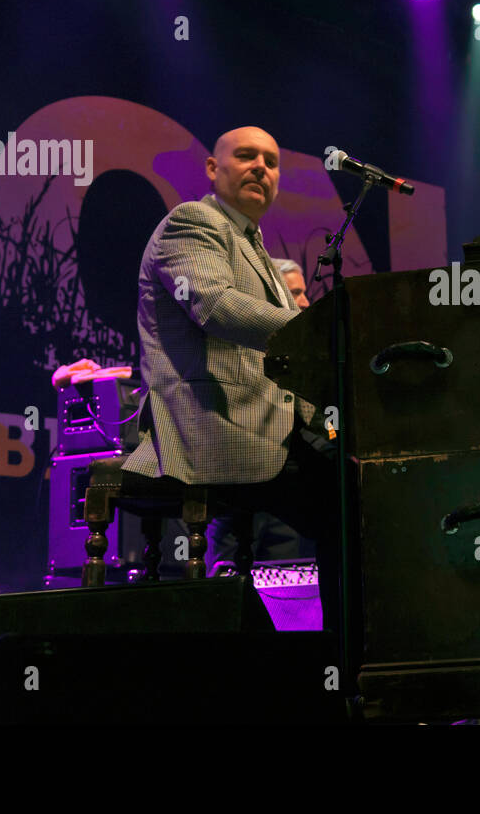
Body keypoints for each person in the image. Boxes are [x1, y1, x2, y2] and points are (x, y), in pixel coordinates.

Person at [122, 126, 337, 624]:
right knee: (351, 495)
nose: (261, 166)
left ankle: (340, 651)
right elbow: (213, 304)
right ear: (213, 169)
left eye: (271, 160)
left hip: (260, 418)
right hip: (212, 421)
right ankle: (340, 659)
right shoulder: (193, 221)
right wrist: (327, 333)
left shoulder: (254, 243)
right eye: (246, 156)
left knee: (361, 475)